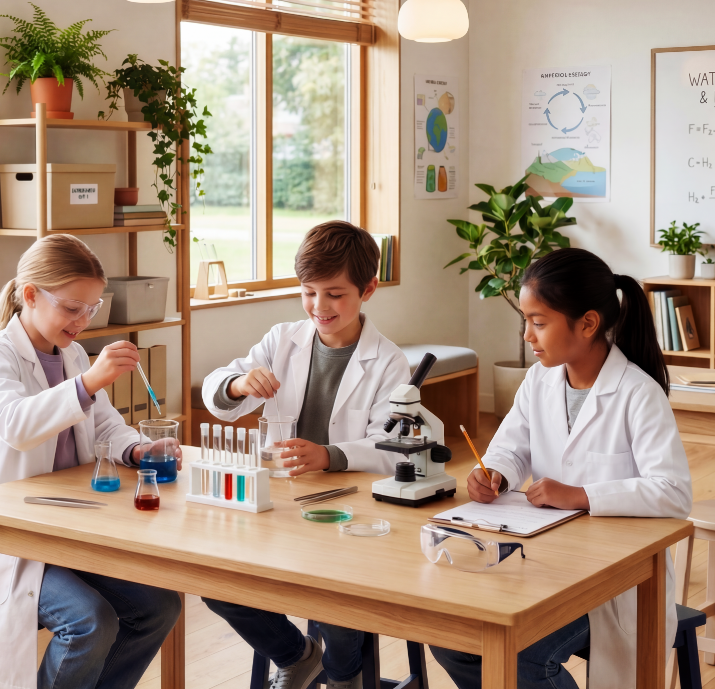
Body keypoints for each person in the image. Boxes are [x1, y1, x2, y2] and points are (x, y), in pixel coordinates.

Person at [431, 248, 692, 689]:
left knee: (522, 658)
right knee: (452, 639)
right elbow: (511, 448)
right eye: (526, 321)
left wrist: (581, 495)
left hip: (611, 581)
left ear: (587, 324)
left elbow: (673, 491)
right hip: (540, 562)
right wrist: (494, 472)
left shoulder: (637, 394)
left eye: (539, 321)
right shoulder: (539, 380)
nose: (528, 335)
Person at [0, 234, 183, 689]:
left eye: (92, 308)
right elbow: (16, 424)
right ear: (30, 295)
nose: (83, 320)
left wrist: (137, 449)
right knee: (90, 622)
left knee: (159, 605)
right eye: (73, 307)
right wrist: (90, 381)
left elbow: (106, 426)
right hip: (10, 535)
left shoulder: (70, 354)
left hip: (70, 526)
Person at [200, 221, 410, 689]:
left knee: (336, 598)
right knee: (216, 582)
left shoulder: (389, 362)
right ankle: (297, 655)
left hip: (345, 511)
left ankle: (342, 677)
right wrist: (238, 384)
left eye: (335, 294)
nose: (320, 306)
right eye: (309, 292)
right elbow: (219, 391)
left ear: (368, 289)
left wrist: (330, 454)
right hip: (277, 507)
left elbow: (392, 447)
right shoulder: (282, 340)